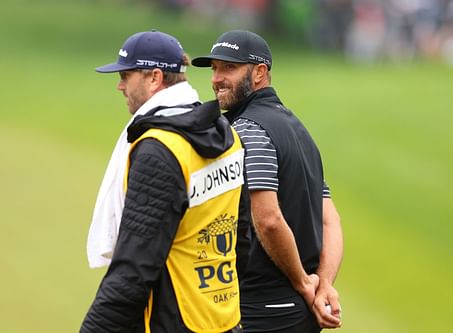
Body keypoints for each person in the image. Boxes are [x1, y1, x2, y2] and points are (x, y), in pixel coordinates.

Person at [81, 29, 249, 333]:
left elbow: (134, 267)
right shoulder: (227, 135)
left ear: (155, 78)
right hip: (224, 316)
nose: (119, 86)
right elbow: (242, 236)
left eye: (126, 75)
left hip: (174, 320)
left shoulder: (160, 149)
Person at [192, 30, 344, 332]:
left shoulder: (247, 130)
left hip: (263, 311)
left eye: (229, 68)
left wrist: (304, 282)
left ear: (260, 72)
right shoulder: (298, 129)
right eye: (215, 69)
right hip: (298, 312)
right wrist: (323, 284)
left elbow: (269, 220)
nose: (217, 78)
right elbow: (331, 220)